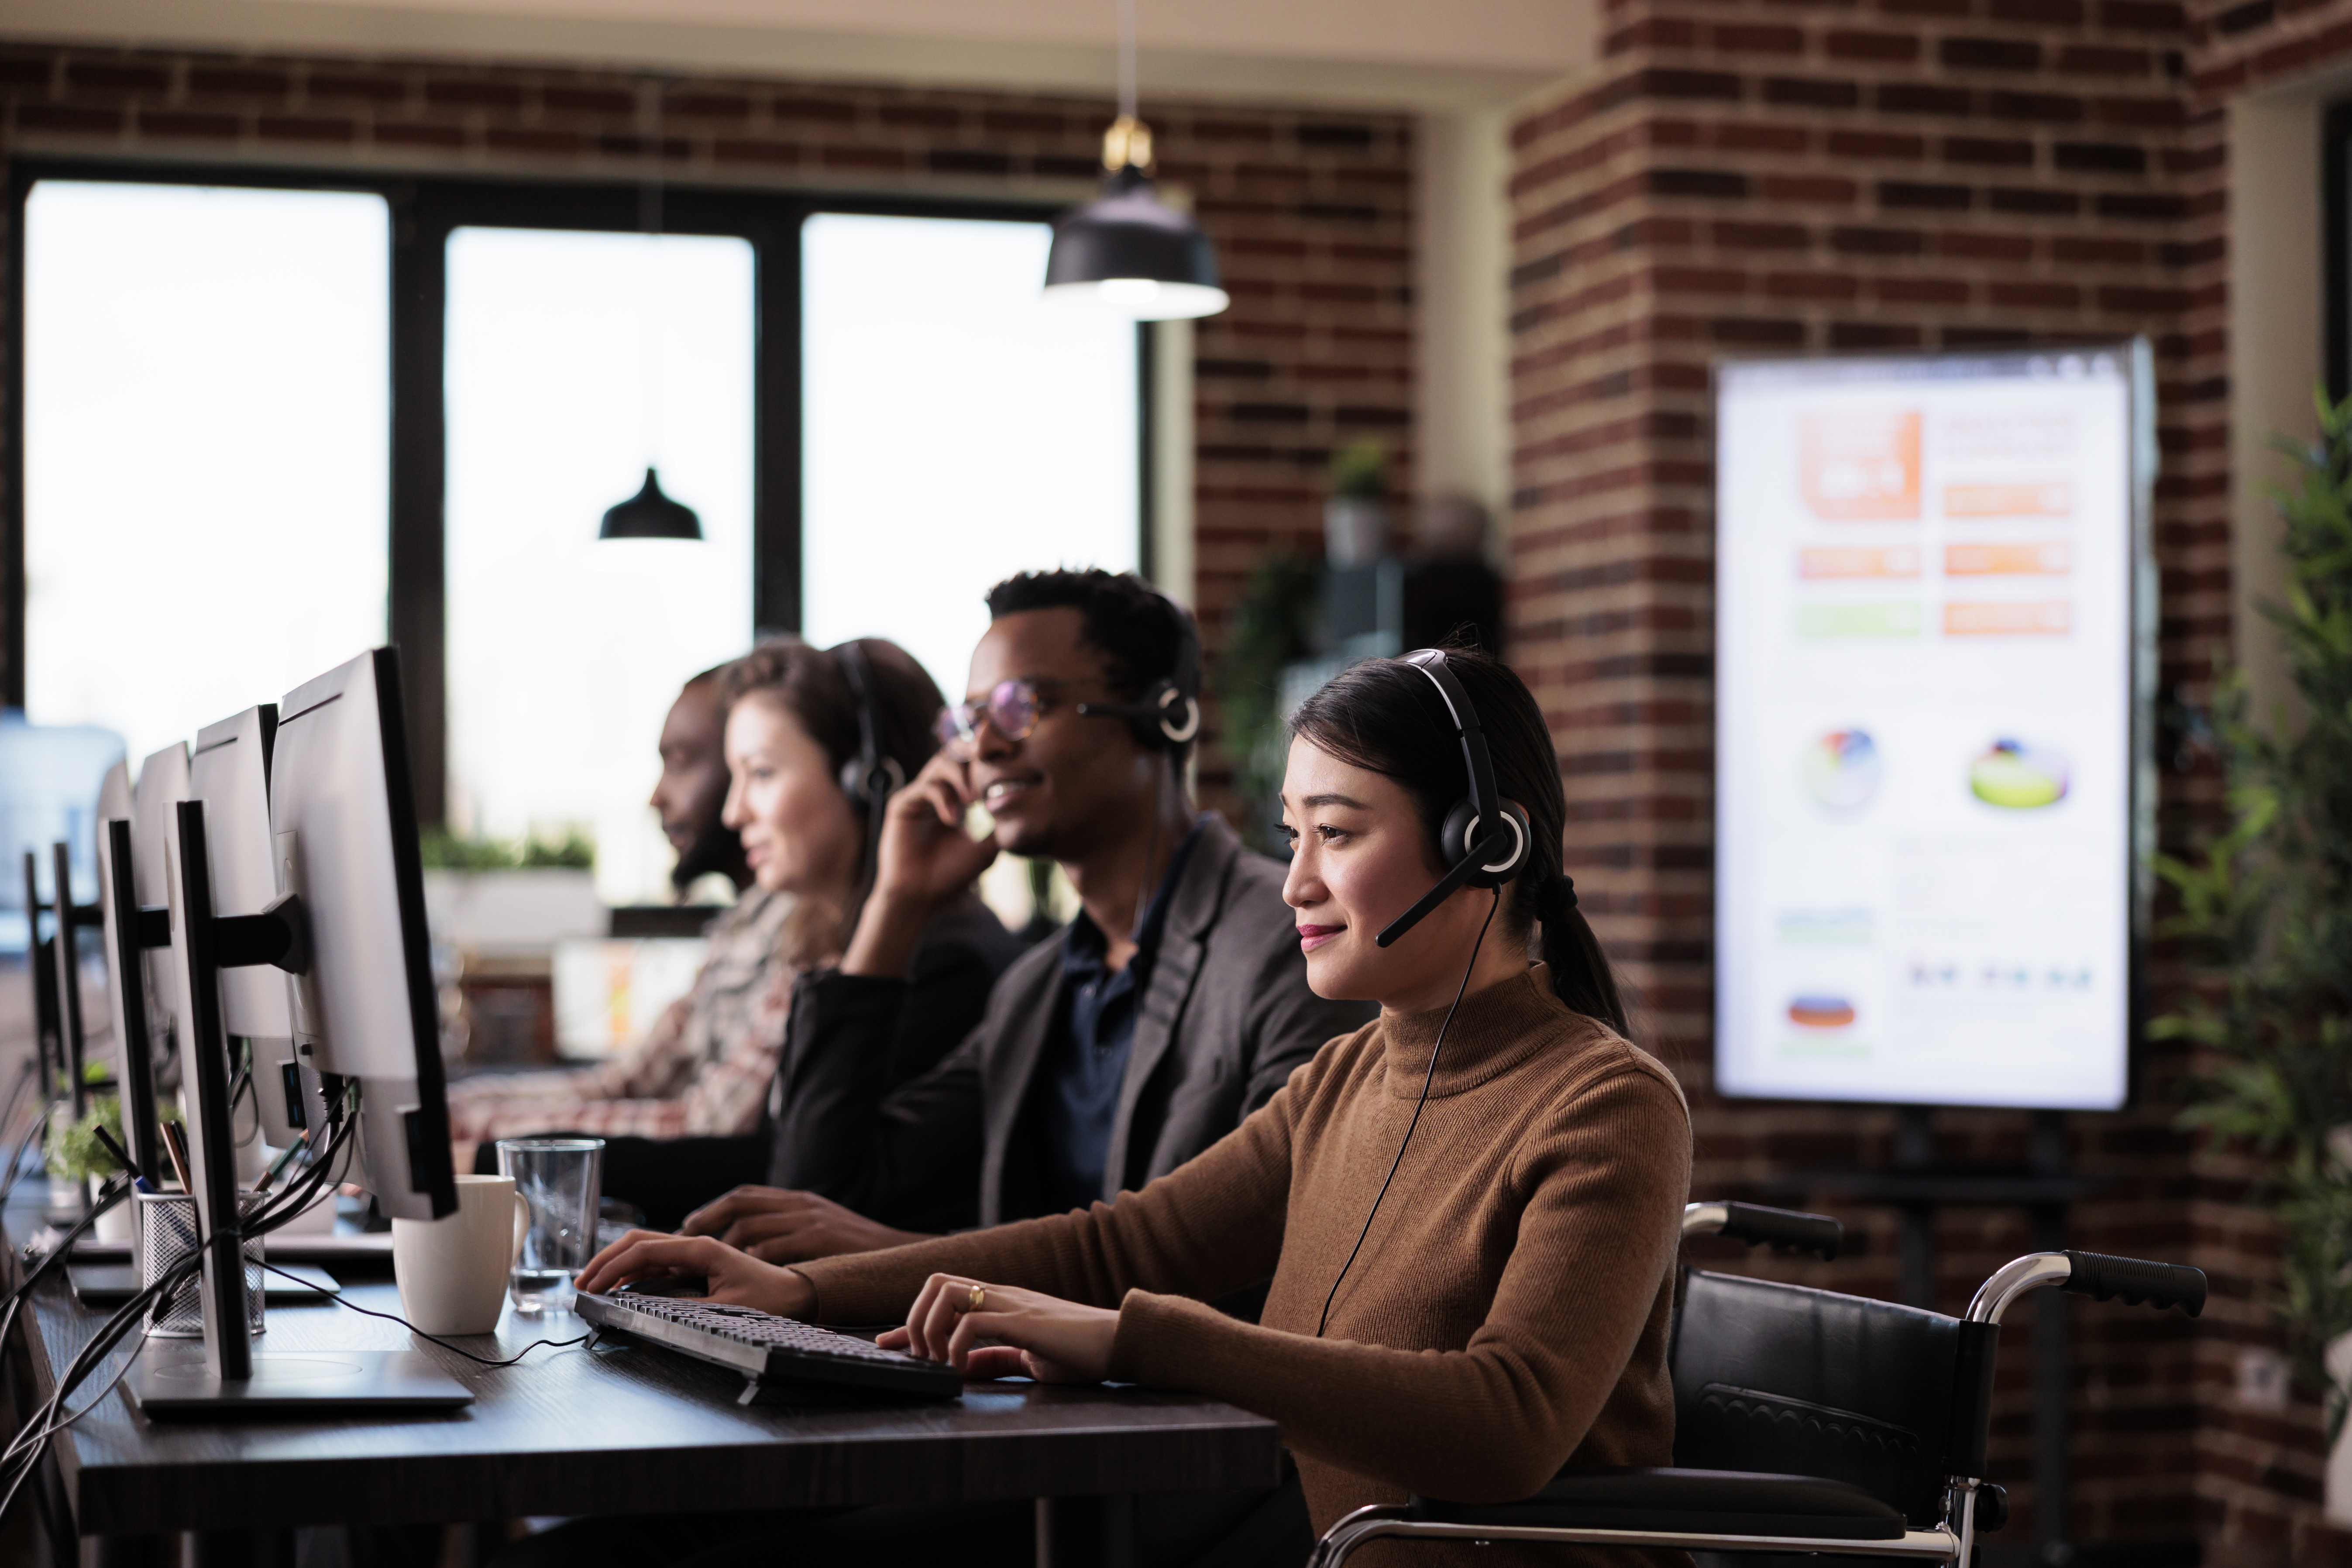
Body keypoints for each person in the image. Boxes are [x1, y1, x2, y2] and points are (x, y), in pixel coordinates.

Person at [574, 645, 1692, 1568]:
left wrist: (1136, 1338)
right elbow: (1123, 1242)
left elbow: (1508, 1422)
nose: (1296, 882)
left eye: (1340, 833)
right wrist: (806, 1289)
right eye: (1292, 835)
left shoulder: (1607, 1104)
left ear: (1484, 844)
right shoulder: (1346, 1077)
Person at [674, 570, 1373, 1264]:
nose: (984, 748)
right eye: (970, 720)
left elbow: (1249, 1253)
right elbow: (818, 1188)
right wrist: (896, 904)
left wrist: (915, 1258)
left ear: (1161, 714)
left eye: (1021, 706)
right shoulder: (1035, 993)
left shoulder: (1290, 943)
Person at [453, 640, 1024, 1228]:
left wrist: (496, 1160)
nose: (734, 813)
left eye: (763, 773)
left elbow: (801, 1181)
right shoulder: (813, 936)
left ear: (866, 781)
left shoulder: (947, 964)